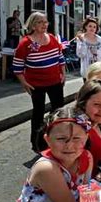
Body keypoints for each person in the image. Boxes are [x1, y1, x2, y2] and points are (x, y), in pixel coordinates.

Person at [12, 12, 66, 152]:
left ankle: (57, 137)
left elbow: (60, 58)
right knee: (38, 112)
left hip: (55, 81)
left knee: (58, 110)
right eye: (40, 22)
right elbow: (17, 66)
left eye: (45, 22)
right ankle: (37, 143)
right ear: (33, 25)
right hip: (36, 84)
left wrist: (63, 74)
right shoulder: (25, 43)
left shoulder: (52, 38)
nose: (44, 25)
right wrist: (24, 83)